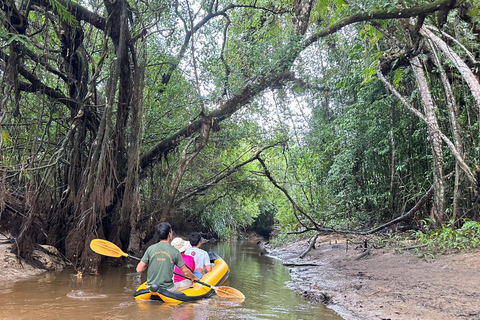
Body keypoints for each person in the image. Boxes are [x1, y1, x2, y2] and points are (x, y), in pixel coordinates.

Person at [136, 222, 198, 292]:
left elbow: (139, 269)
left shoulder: (150, 249)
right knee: (188, 281)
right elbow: (186, 272)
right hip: (168, 289)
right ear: (169, 234)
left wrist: (148, 263)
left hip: (150, 287)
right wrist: (194, 277)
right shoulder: (175, 251)